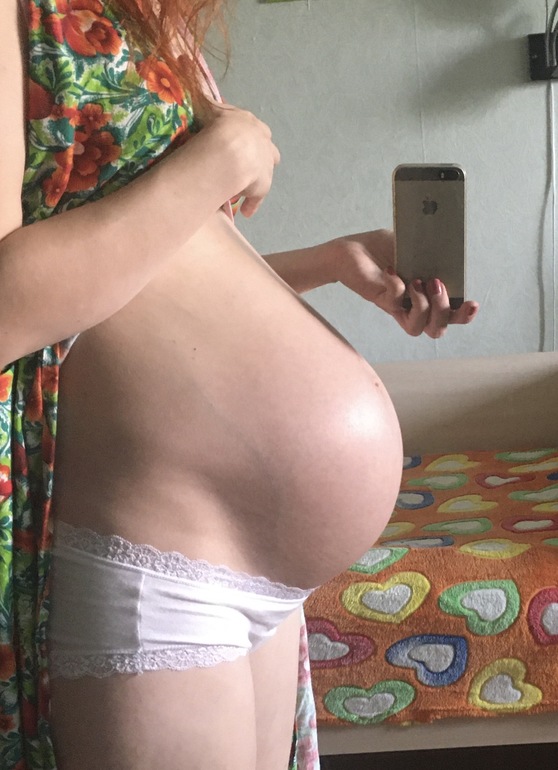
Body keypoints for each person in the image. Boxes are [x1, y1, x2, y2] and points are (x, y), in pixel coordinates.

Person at [0, 1, 479, 769]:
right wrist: (213, 165)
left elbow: (152, 283)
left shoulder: (141, 13)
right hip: (153, 552)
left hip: (251, 573)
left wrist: (326, 263)